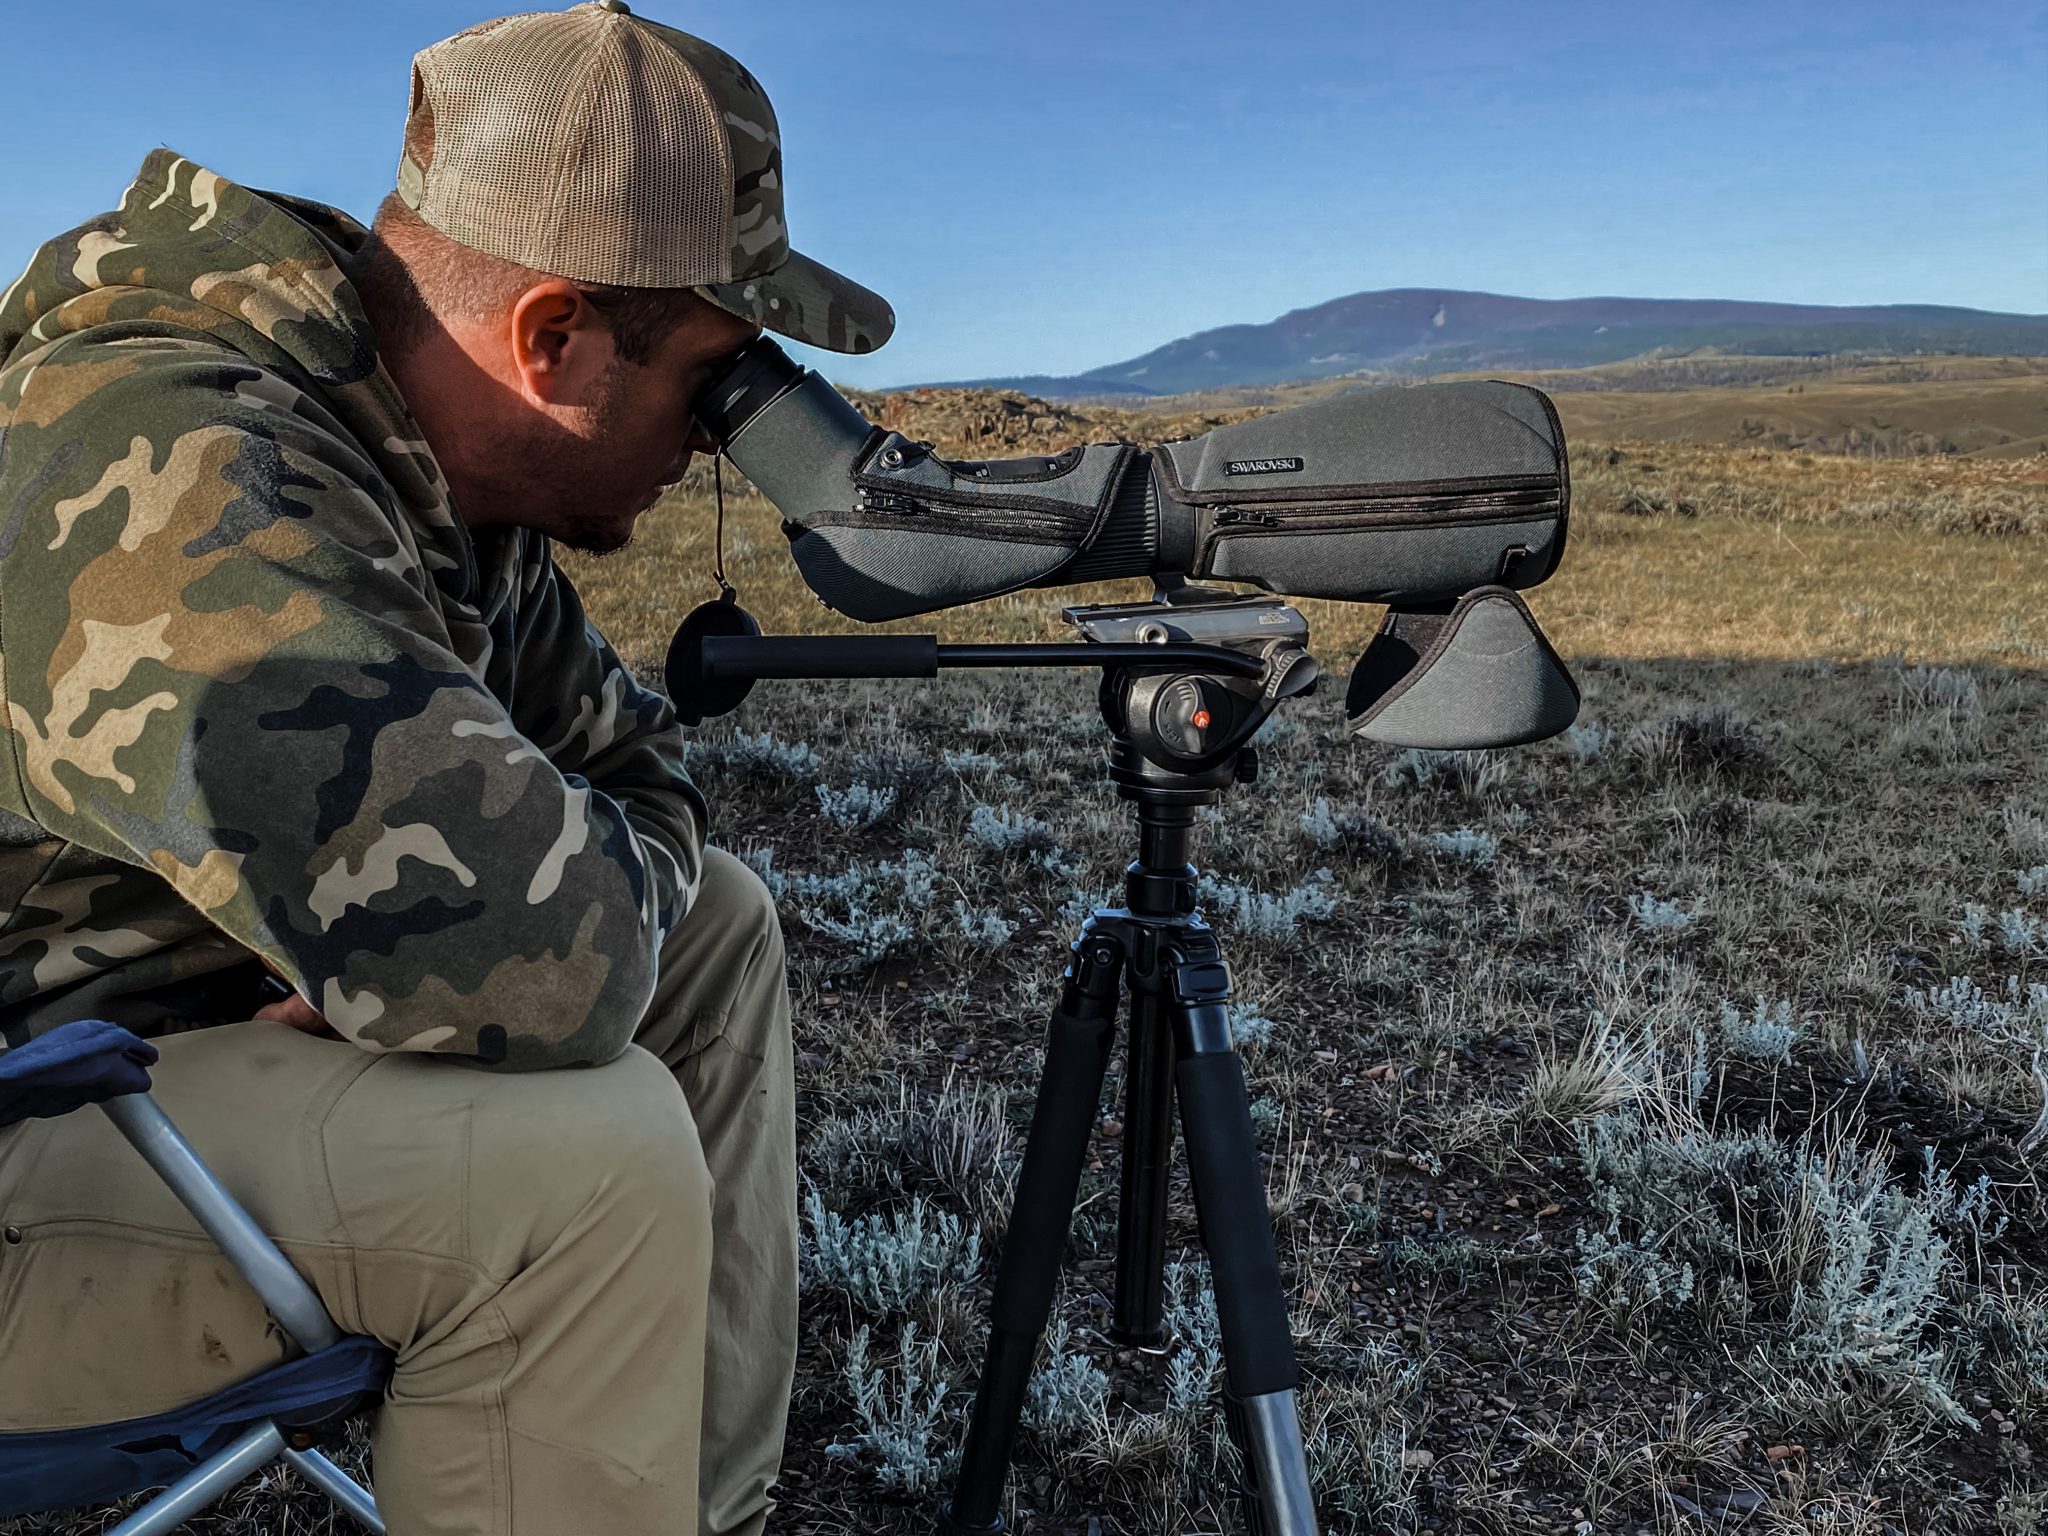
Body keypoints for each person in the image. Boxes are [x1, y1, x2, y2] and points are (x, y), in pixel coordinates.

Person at [0, 3, 893, 1531]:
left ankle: (686, 1508)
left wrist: (470, 936)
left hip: (159, 1074)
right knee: (580, 1169)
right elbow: (543, 967)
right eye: (713, 378)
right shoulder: (179, 473)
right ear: (551, 338)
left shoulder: (435, 489)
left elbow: (646, 780)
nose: (717, 441)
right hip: (32, 1130)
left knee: (720, 921)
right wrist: (473, 941)